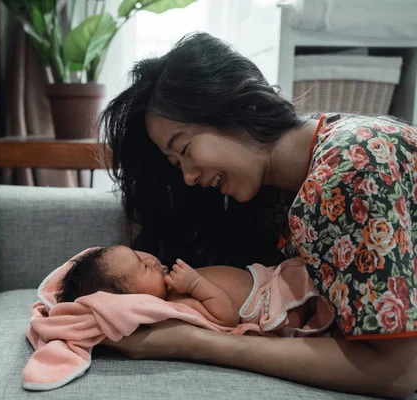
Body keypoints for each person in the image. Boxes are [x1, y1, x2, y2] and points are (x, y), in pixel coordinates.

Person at [98, 32, 417, 398]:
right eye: (175, 164)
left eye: (184, 148)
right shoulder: (283, 185)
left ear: (238, 107)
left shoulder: (348, 168)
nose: (187, 177)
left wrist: (193, 342)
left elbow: (399, 370)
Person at [55, 245, 329, 334]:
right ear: (135, 300)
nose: (151, 259)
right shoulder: (177, 307)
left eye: (140, 254)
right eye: (144, 267)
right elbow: (227, 317)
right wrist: (196, 285)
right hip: (272, 305)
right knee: (318, 301)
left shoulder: (173, 288)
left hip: (271, 279)